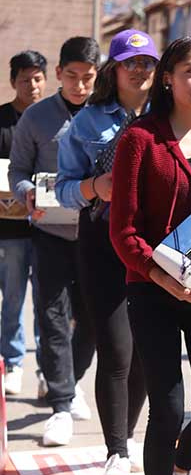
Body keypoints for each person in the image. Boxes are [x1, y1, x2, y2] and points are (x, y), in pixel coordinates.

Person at [109, 36, 191, 475]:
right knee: (166, 412)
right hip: (152, 292)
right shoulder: (140, 139)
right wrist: (164, 279)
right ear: (168, 78)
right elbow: (122, 230)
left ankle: (181, 466)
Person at [55, 29, 158, 474]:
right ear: (113, 71)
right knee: (116, 350)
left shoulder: (172, 117)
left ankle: (129, 439)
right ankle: (116, 450)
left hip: (156, 246)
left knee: (144, 354)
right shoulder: (87, 121)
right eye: (130, 63)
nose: (140, 70)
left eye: (148, 63)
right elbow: (62, 189)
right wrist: (97, 186)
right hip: (101, 243)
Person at [8, 37, 99, 446]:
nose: (80, 86)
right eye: (72, 77)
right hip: (50, 233)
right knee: (52, 317)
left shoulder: (108, 114)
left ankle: (71, 380)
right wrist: (27, 190)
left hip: (97, 234)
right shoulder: (37, 118)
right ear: (59, 73)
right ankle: (61, 403)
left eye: (88, 78)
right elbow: (18, 169)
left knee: (93, 319)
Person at [0, 50, 46, 396]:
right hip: (10, 230)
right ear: (13, 81)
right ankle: (13, 363)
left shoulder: (52, 117)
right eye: (25, 79)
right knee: (13, 298)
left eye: (37, 78)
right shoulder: (1, 120)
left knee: (49, 303)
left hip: (50, 228)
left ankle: (49, 369)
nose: (32, 85)